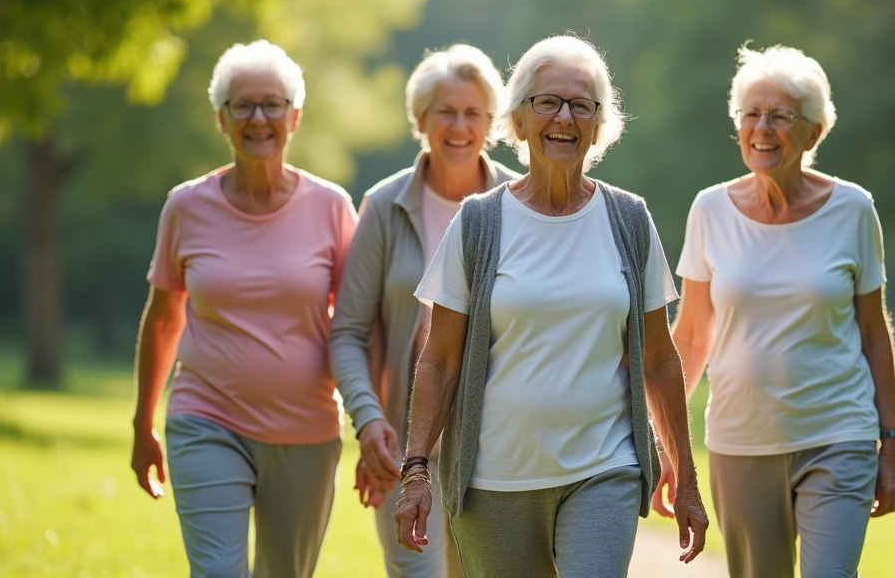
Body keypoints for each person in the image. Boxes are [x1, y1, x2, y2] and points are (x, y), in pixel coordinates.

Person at [393, 34, 709, 577]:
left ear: (597, 125)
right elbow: (440, 360)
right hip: (495, 479)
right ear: (518, 121)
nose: (564, 116)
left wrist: (685, 476)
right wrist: (417, 469)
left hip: (604, 468)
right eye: (547, 102)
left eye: (581, 105)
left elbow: (658, 358)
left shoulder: (629, 220)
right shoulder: (477, 223)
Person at [657, 44, 895, 578]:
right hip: (741, 441)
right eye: (751, 114)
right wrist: (670, 449)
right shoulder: (710, 210)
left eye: (779, 116)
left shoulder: (854, 210)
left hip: (839, 435)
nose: (762, 128)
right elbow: (693, 336)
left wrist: (891, 445)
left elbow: (873, 334)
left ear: (814, 131)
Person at [130, 40, 357, 578]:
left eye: (272, 104)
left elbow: (353, 327)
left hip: (306, 429)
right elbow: (164, 319)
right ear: (222, 119)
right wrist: (143, 425)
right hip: (206, 417)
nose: (259, 118)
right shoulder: (186, 206)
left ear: (294, 116)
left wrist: (373, 425)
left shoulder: (332, 208)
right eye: (243, 105)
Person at [329, 43, 519, 578]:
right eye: (446, 112)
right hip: (404, 444)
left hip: (499, 447)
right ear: (420, 119)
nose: (459, 126)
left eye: (473, 113)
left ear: (492, 122)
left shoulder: (519, 203)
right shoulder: (385, 207)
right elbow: (346, 332)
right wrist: (368, 424)